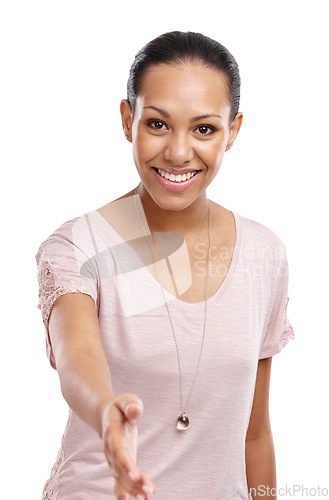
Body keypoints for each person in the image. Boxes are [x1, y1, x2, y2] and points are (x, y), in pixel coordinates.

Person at [35, 31, 295, 500]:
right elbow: (79, 357)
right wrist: (105, 411)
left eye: (203, 129)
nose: (178, 153)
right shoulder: (77, 244)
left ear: (232, 130)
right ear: (127, 118)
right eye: (157, 124)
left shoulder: (263, 254)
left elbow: (254, 434)